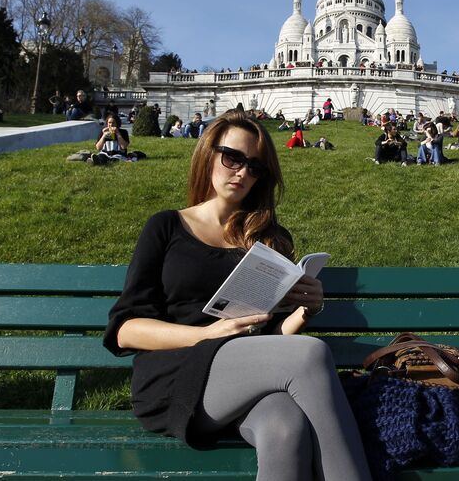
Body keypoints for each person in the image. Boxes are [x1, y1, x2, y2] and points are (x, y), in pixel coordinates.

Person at [102, 111, 371, 480]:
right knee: (311, 352)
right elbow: (125, 330)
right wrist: (206, 333)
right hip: (176, 375)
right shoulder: (167, 226)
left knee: (284, 423)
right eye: (233, 158)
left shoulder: (269, 238)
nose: (242, 172)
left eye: (255, 167)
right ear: (208, 154)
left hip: (243, 377)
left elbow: (273, 338)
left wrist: (303, 312)